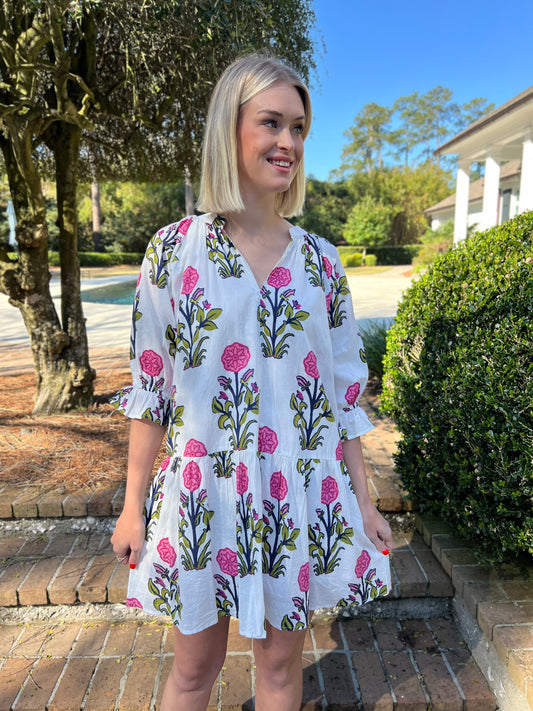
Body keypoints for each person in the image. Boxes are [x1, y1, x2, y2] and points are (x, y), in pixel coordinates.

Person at [111, 53, 393, 711]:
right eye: (271, 123)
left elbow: (342, 399)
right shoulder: (172, 252)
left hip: (293, 496)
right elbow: (149, 392)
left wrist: (365, 499)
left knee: (277, 671)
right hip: (200, 495)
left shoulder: (321, 264)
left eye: (298, 127)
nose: (288, 142)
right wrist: (131, 506)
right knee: (192, 669)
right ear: (229, 129)